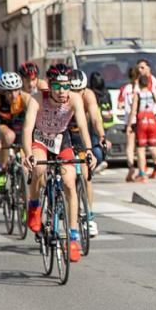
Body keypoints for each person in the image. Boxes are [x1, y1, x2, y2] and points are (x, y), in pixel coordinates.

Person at [21, 64, 96, 263]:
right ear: (50, 87)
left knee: (69, 182)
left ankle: (72, 238)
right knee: (39, 168)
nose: (62, 91)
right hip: (40, 139)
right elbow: (27, 129)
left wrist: (89, 151)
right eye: (57, 87)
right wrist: (28, 154)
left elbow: (82, 126)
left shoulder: (75, 99)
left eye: (66, 87)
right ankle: (34, 205)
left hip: (61, 140)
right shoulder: (37, 99)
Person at [68, 69, 111, 236]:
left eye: (80, 90)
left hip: (81, 133)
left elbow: (95, 117)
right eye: (73, 90)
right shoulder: (63, 96)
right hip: (65, 133)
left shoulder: (89, 96)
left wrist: (101, 135)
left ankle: (89, 217)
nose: (77, 94)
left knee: (86, 175)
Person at [126, 69, 156, 183]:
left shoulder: (138, 95)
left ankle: (142, 174)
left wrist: (130, 125)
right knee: (153, 146)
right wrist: (155, 115)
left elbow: (133, 110)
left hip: (142, 121)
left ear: (139, 84)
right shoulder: (153, 93)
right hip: (152, 120)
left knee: (140, 149)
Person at [0, 72, 26, 193]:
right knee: (9, 136)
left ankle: (23, 206)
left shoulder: (25, 98)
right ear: (3, 92)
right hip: (3, 127)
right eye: (9, 91)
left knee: (24, 167)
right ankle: (2, 170)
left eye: (16, 90)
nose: (13, 95)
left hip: (19, 127)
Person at [88, 70, 115, 173]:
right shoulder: (107, 93)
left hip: (96, 121)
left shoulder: (92, 94)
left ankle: (99, 161)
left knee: (95, 143)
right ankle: (102, 159)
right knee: (102, 141)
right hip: (107, 121)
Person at [119, 67, 140, 181]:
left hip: (129, 120)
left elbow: (120, 103)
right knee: (140, 147)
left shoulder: (126, 88)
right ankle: (142, 169)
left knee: (130, 146)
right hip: (140, 119)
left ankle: (131, 167)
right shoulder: (141, 87)